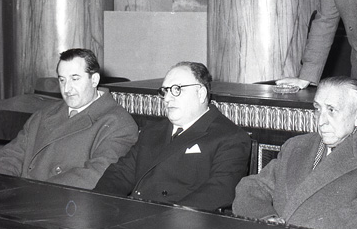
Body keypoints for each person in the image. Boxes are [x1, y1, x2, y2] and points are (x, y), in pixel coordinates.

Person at [232, 77, 357, 229]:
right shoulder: (296, 146)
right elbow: (252, 187)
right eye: (318, 109)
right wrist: (267, 219)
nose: (321, 121)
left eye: (331, 110)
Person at [94, 61, 251, 211]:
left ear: (201, 93)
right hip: (135, 215)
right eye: (165, 91)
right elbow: (120, 173)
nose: (167, 98)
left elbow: (220, 191)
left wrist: (168, 217)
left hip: (182, 222)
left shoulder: (230, 137)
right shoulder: (152, 131)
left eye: (177, 89)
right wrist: (96, 203)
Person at [0, 48, 138, 189]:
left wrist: (32, 191)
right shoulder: (45, 114)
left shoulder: (119, 123)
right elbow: (9, 156)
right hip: (20, 196)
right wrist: (1, 187)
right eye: (62, 80)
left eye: (75, 79)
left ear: (94, 80)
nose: (67, 89)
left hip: (64, 202)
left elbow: (96, 176)